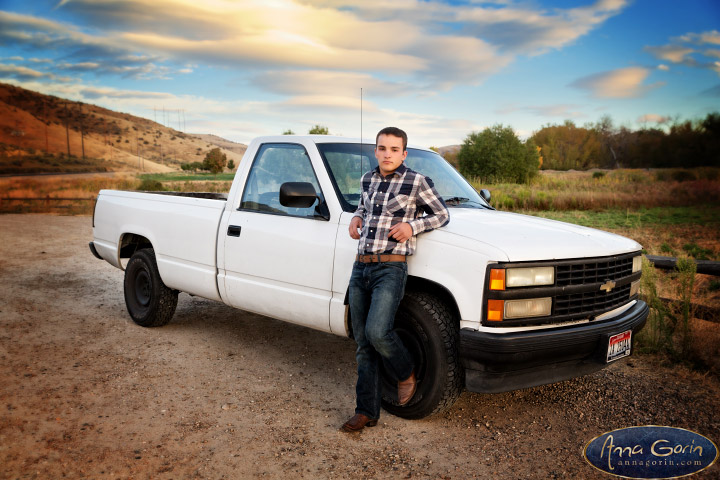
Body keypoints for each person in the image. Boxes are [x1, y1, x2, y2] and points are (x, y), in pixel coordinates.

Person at [341, 127, 450, 433]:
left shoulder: (416, 181)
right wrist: (356, 217)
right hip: (360, 266)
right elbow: (364, 206)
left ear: (404, 153)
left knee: (378, 332)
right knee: (363, 342)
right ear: (375, 151)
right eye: (382, 148)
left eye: (393, 149)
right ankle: (365, 411)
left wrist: (412, 227)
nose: (387, 154)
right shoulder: (368, 179)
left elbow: (441, 214)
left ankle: (405, 372)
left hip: (391, 267)